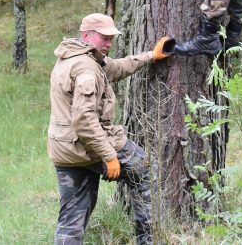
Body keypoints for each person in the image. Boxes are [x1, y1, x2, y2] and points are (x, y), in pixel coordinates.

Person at [48, 13, 173, 245]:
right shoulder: (87, 69)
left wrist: (150, 56)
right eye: (103, 38)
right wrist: (109, 156)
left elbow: (115, 68)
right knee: (146, 171)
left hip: (65, 151)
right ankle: (149, 241)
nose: (108, 43)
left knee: (71, 219)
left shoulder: (73, 56)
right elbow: (84, 120)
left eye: (111, 38)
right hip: (87, 145)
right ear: (86, 35)